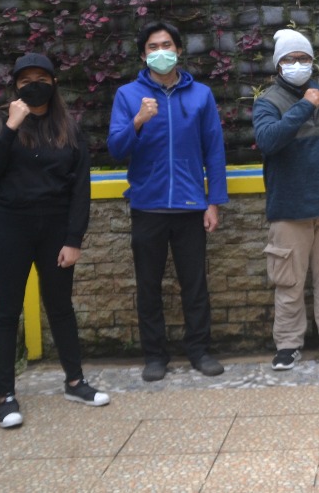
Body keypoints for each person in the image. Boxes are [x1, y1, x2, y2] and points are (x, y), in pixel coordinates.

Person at [0, 53, 109, 429]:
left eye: (41, 77)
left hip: (54, 228)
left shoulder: (68, 126)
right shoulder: (1, 120)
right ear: (14, 84)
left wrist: (74, 238)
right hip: (6, 227)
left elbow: (80, 186)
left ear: (53, 82)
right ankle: (5, 397)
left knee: (60, 306)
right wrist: (11, 128)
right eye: (25, 79)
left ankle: (74, 381)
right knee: (5, 311)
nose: (33, 84)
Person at [108, 20, 228, 381]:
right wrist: (139, 120)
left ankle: (199, 351)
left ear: (178, 50)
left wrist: (214, 202)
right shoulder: (128, 96)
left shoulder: (201, 95)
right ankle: (155, 356)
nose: (160, 52)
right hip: (148, 207)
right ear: (143, 55)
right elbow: (116, 148)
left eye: (167, 45)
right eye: (152, 47)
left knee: (195, 285)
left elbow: (215, 151)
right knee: (148, 286)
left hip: (191, 207)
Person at [253, 29, 319, 370]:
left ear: (312, 61)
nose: (297, 64)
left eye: (304, 58)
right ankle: (287, 344)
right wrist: (303, 106)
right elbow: (269, 141)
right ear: (278, 64)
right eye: (289, 59)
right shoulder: (267, 102)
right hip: (289, 210)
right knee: (289, 283)